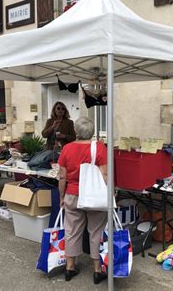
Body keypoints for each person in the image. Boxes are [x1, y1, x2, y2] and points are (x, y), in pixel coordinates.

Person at [57, 116, 108, 284]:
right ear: (92, 132)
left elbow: (62, 176)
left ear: (76, 131)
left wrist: (61, 196)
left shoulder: (67, 149)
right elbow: (105, 174)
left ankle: (70, 267)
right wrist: (109, 193)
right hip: (94, 195)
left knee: (72, 230)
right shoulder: (99, 147)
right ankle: (97, 270)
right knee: (96, 231)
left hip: (72, 193)